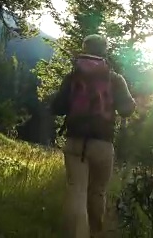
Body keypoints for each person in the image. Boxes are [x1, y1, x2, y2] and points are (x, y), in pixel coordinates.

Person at [51, 34, 136, 238]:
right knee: (97, 192)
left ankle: (75, 234)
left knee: (76, 190)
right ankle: (95, 234)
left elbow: (57, 107)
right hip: (103, 144)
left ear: (84, 48)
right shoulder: (115, 79)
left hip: (74, 142)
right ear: (104, 51)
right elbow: (127, 110)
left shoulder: (72, 77)